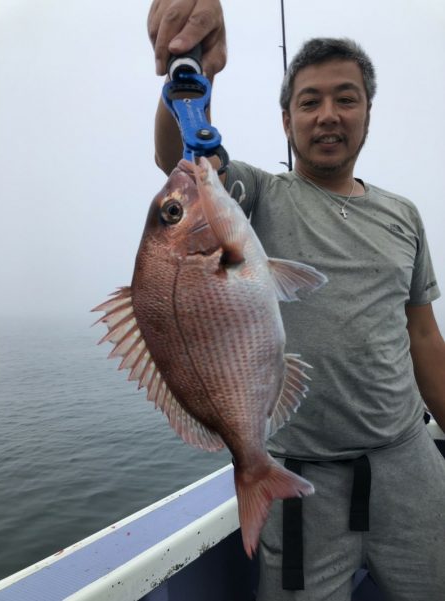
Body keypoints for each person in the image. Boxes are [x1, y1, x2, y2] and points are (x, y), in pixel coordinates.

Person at [148, 2, 445, 600]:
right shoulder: (254, 195)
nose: (328, 115)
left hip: (409, 465)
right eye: (309, 102)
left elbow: (423, 337)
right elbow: (175, 161)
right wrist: (190, 70)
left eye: (346, 98)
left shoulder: (403, 215)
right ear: (287, 121)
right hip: (299, 473)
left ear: (367, 113)